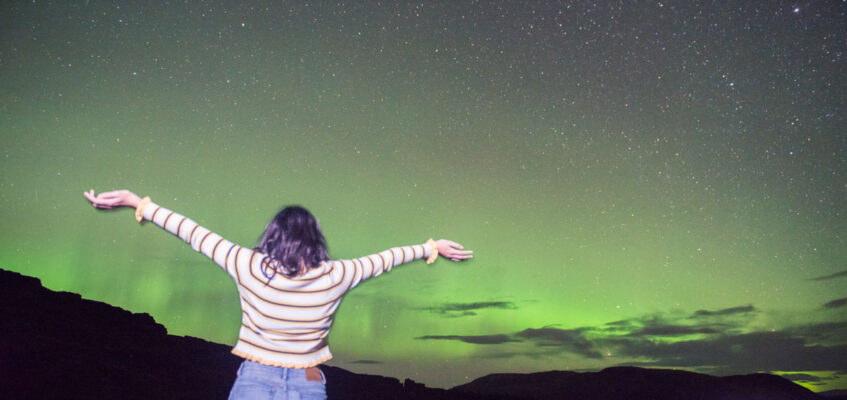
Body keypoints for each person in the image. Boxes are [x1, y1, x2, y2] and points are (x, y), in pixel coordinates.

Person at [83, 189, 473, 400]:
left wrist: (139, 203)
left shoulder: (245, 265)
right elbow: (388, 258)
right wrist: (432, 246)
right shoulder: (338, 275)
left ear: (272, 235)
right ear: (315, 238)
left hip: (255, 379)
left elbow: (193, 232)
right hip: (309, 383)